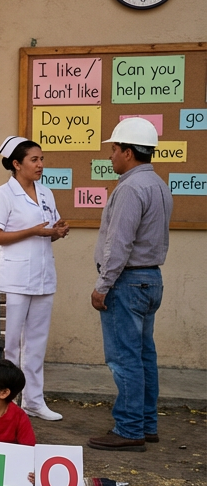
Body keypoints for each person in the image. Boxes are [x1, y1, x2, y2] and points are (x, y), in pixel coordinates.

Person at [88, 116, 173, 453]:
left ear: (127, 151)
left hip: (126, 281)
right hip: (150, 279)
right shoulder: (158, 185)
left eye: (113, 149)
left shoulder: (130, 188)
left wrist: (102, 285)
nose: (110, 156)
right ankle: (145, 424)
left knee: (124, 359)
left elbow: (119, 244)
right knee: (143, 356)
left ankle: (129, 428)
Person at [0, 136, 70, 422]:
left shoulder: (46, 193)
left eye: (42, 159)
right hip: (14, 279)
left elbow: (47, 228)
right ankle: (4, 402)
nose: (40, 164)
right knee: (11, 345)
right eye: (34, 160)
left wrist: (57, 231)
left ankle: (33, 401)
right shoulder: (2, 195)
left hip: (43, 276)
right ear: (16, 164)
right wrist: (34, 231)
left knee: (36, 342)